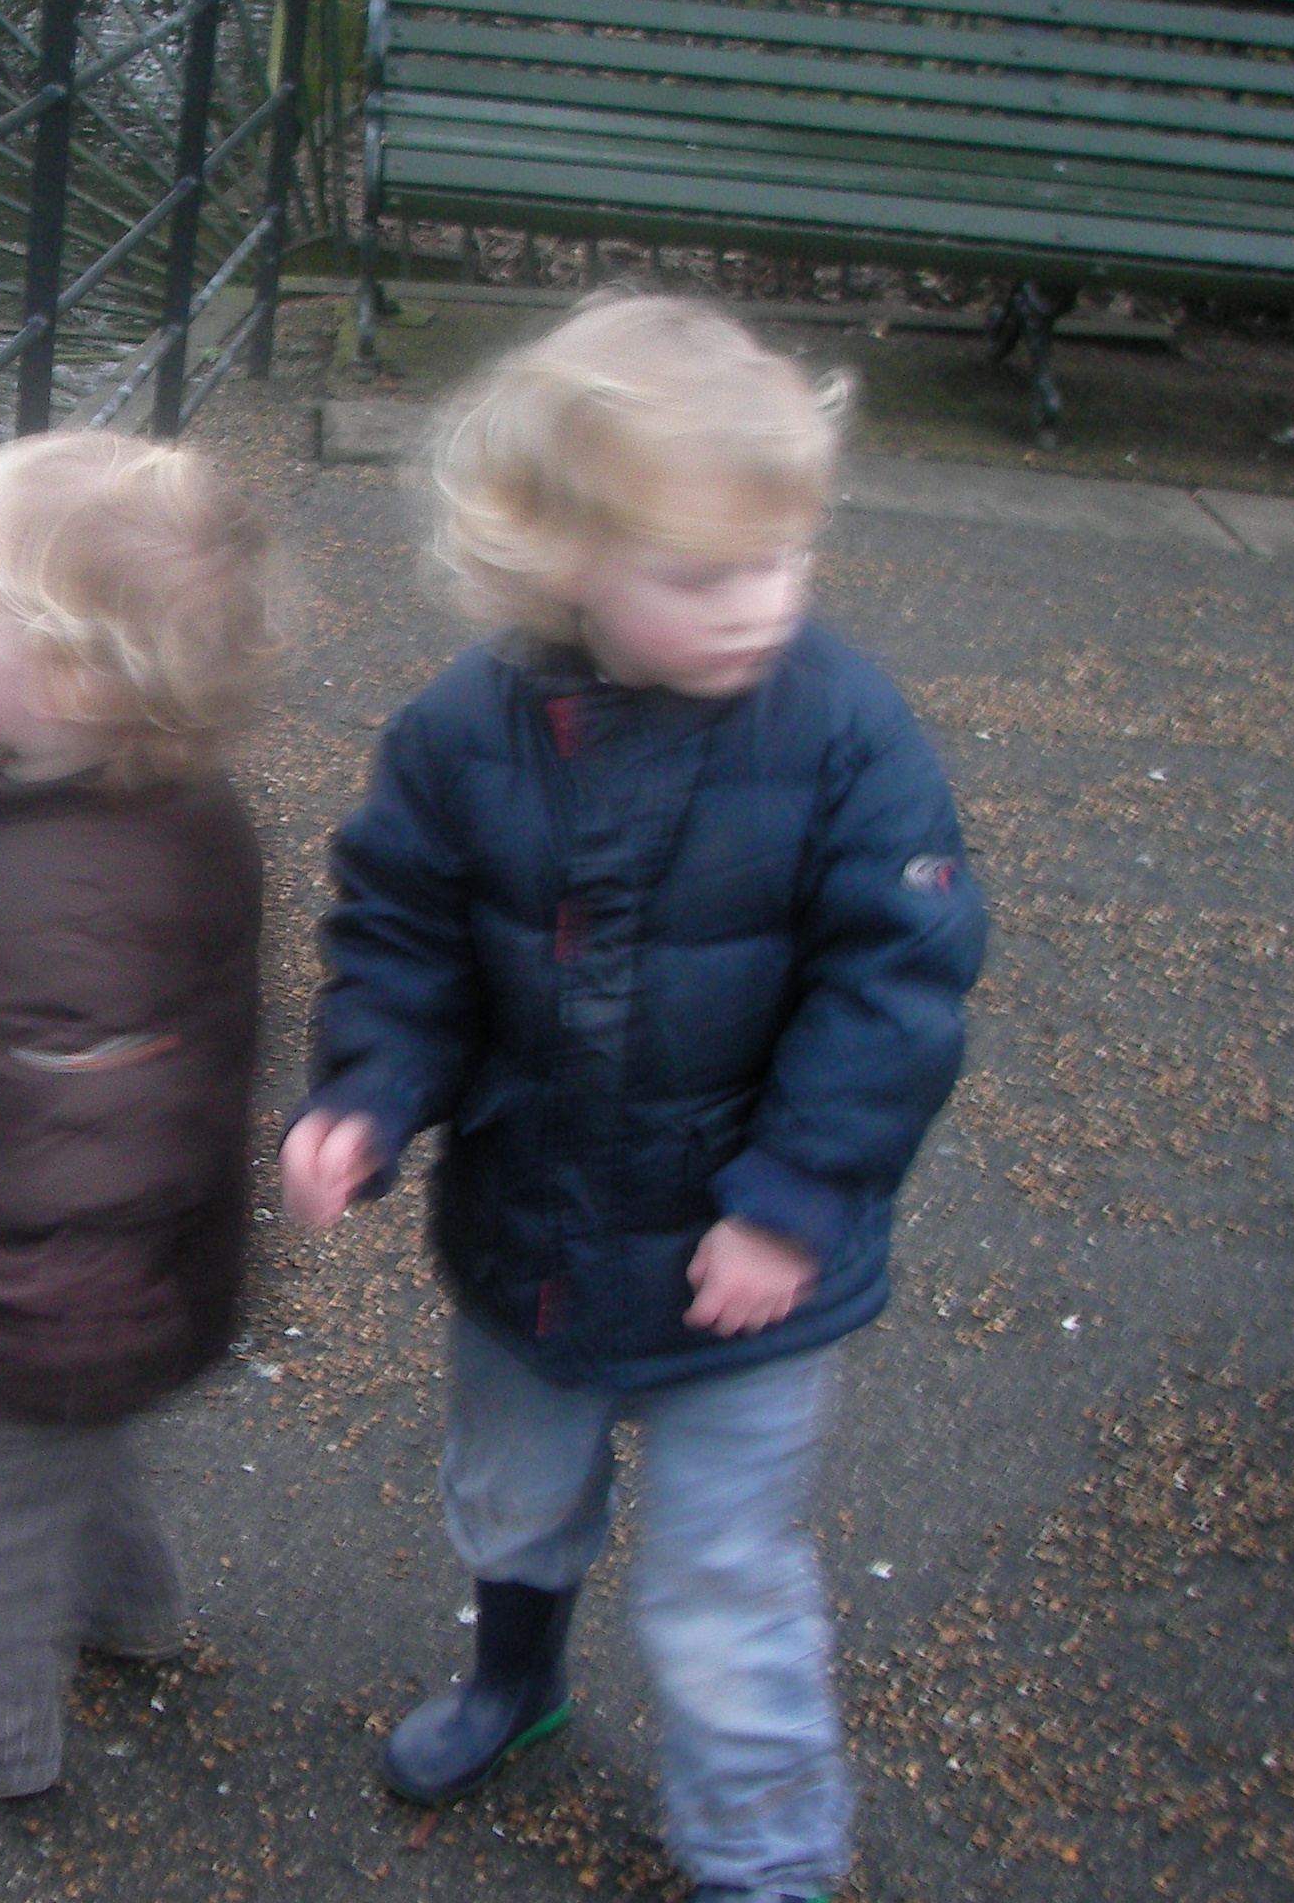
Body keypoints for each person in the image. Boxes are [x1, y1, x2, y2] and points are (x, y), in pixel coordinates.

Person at [281, 295, 987, 1903]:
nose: (761, 604)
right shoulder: (462, 734)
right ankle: (515, 1680)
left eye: (783, 558)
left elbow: (896, 982)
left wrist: (797, 1199)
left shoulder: (843, 733)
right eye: (704, 573)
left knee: (723, 1585)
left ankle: (768, 1860)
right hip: (534, 1226)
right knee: (512, 1502)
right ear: (566, 562)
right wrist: (371, 1093)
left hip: (750, 1258)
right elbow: (402, 939)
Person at [0, 429, 281, 1826]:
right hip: (123, 1276)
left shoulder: (70, 891)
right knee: (78, 1444)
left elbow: (93, 1132)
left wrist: (25, 1294)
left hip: (54, 1280)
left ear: (74, 673)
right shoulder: (161, 814)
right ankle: (132, 1609)